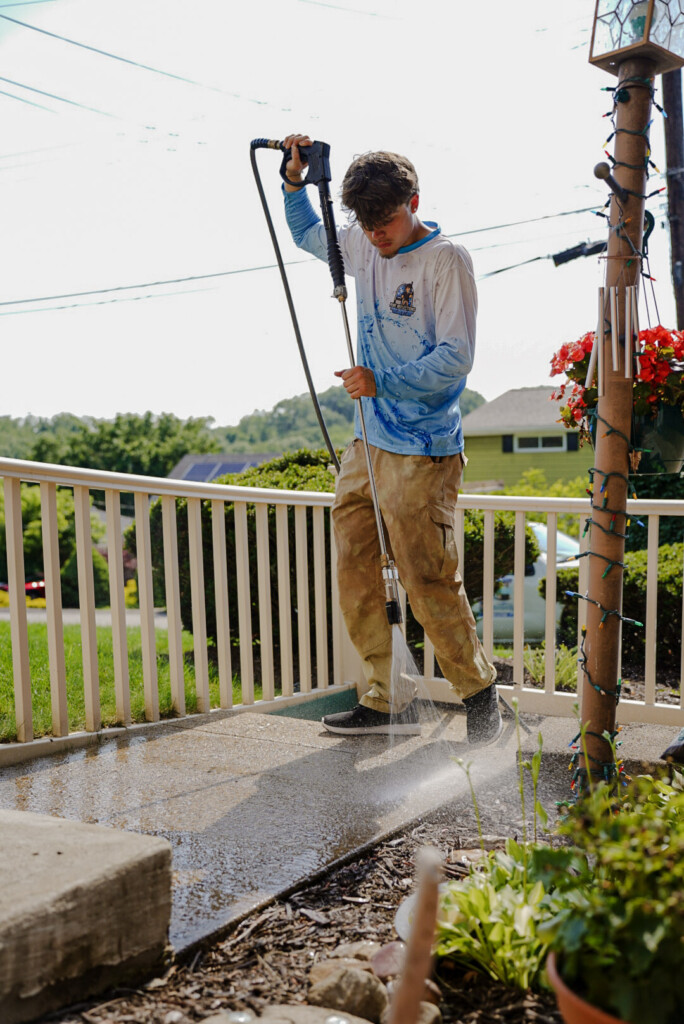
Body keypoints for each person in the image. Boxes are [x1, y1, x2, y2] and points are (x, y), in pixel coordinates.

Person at [280, 133, 501, 745]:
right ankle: (384, 698)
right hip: (366, 442)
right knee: (354, 567)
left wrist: (382, 381)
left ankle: (480, 697)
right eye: (366, 225)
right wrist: (295, 184)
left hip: (424, 446)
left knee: (427, 576)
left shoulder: (445, 260)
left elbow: (456, 358)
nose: (375, 235)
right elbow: (308, 235)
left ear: (414, 201)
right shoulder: (363, 247)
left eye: (385, 222)